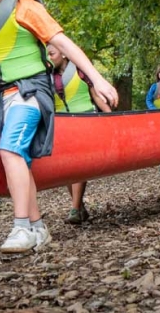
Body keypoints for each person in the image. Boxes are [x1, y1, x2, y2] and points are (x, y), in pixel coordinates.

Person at [0, 0, 118, 253]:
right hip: (4, 94)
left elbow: (65, 44)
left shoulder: (26, 8)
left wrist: (97, 79)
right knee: (19, 159)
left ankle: (21, 227)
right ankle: (38, 229)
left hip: (31, 91)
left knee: (10, 148)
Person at [47, 44, 113, 225]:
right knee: (67, 168)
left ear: (64, 53)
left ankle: (75, 209)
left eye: (52, 53)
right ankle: (79, 208)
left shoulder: (80, 69)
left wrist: (110, 116)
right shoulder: (46, 76)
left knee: (78, 164)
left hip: (85, 121)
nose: (49, 57)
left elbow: (96, 94)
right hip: (63, 124)